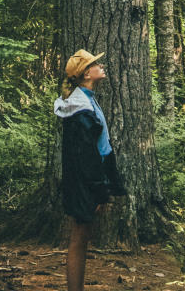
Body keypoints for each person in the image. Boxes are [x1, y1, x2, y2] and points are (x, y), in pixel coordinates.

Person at [53, 49, 126, 291]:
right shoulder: (80, 109)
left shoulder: (86, 99)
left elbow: (100, 147)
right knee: (79, 238)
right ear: (86, 73)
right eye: (96, 64)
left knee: (82, 238)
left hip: (91, 178)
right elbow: (86, 154)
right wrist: (98, 189)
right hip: (85, 181)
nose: (101, 65)